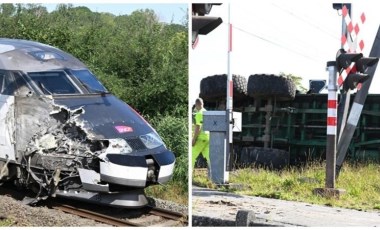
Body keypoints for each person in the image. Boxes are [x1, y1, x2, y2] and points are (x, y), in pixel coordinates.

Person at [192, 98, 210, 169]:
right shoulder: (206, 112)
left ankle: (189, 174)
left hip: (200, 138)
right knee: (209, 158)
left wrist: (194, 139)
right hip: (208, 137)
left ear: (196, 105)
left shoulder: (199, 114)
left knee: (191, 156)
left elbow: (198, 128)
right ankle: (214, 174)